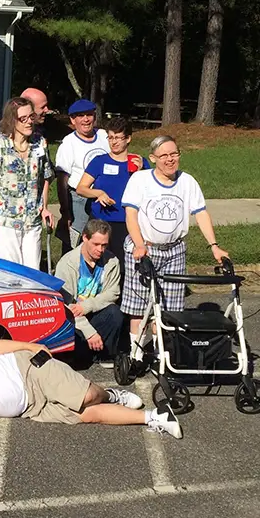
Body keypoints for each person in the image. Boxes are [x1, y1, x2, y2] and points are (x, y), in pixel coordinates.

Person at [0, 338, 182, 438]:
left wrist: (29, 347)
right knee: (86, 415)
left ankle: (112, 394)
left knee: (88, 396)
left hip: (28, 370)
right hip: (31, 409)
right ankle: (156, 418)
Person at [121, 135, 229, 361]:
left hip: (174, 251)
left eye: (174, 154)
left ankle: (163, 355)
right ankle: (136, 355)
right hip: (144, 248)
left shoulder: (187, 182)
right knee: (140, 306)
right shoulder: (140, 180)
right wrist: (139, 245)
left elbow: (200, 214)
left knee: (169, 308)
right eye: (164, 156)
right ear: (153, 158)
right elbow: (130, 215)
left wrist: (214, 246)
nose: (170, 160)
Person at [0, 97, 54, 269]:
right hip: (6, 222)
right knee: (11, 274)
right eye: (23, 118)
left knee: (32, 272)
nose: (29, 122)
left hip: (32, 221)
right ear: (12, 120)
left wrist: (44, 207)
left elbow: (45, 178)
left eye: (31, 117)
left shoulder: (39, 143)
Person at [76, 116, 149, 268]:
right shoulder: (99, 161)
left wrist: (143, 171)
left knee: (122, 265)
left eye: (118, 138)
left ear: (128, 138)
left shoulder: (139, 162)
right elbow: (81, 188)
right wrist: (98, 193)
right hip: (100, 220)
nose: (113, 142)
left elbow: (152, 191)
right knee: (92, 261)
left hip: (127, 222)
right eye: (110, 137)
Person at [54, 219, 124, 366]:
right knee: (79, 357)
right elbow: (65, 305)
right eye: (96, 244)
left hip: (93, 311)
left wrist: (87, 306)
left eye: (104, 245)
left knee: (115, 313)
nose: (100, 249)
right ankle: (87, 352)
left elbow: (113, 294)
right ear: (85, 238)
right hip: (74, 320)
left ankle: (104, 354)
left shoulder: (112, 262)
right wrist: (89, 332)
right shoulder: (67, 263)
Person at [54, 99, 110, 254]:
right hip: (79, 199)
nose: (86, 119)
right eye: (80, 116)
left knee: (101, 238)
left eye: (89, 115)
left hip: (104, 197)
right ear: (73, 120)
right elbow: (62, 180)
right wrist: (65, 211)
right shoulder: (69, 143)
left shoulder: (104, 136)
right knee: (75, 239)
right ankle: (69, 272)